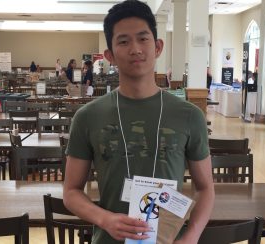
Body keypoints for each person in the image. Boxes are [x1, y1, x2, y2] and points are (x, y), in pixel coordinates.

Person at [63, 1, 214, 244]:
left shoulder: (189, 115)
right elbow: (71, 192)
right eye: (123, 41)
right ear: (110, 55)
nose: (135, 49)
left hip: (169, 239)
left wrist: (192, 236)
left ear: (157, 47)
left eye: (143, 39)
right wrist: (105, 219)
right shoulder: (88, 116)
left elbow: (205, 188)